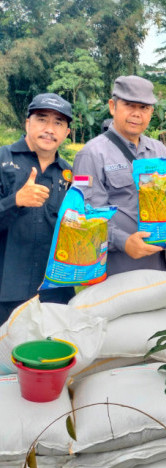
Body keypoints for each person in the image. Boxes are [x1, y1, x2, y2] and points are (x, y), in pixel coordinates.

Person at [72, 75, 166, 276]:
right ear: (113, 106)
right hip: (117, 268)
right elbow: (86, 218)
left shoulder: (159, 151)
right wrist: (124, 242)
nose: (137, 114)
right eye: (129, 105)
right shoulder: (92, 154)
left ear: (151, 112)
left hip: (160, 265)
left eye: (144, 108)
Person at [0, 93, 74, 324]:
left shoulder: (69, 174)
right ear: (28, 123)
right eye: (42, 119)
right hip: (6, 292)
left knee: (50, 357)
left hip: (55, 293)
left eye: (58, 123)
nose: (50, 129)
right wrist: (16, 200)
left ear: (66, 133)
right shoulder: (3, 159)